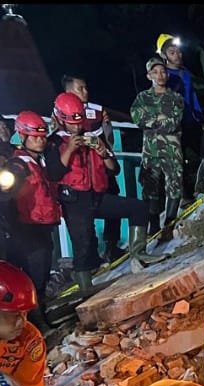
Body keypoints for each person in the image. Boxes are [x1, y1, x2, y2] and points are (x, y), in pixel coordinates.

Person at [46, 93, 149, 295]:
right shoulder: (53, 143)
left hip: (96, 196)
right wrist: (70, 149)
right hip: (74, 200)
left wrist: (103, 152)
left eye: (79, 122)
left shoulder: (92, 136)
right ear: (60, 119)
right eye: (71, 123)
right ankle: (86, 289)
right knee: (82, 243)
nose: (76, 127)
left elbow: (114, 170)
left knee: (137, 207)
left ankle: (139, 254)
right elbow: (54, 172)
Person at [8, 112, 60, 330]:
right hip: (27, 228)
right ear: (22, 136)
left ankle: (38, 317)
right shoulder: (19, 163)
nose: (40, 140)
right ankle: (35, 323)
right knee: (34, 278)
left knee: (42, 274)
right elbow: (10, 185)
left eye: (42, 136)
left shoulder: (41, 160)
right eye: (34, 136)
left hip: (43, 226)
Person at [156, 33, 204, 201]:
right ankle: (186, 200)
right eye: (172, 52)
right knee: (179, 166)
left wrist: (202, 121)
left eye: (178, 51)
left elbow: (193, 98)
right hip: (174, 130)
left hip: (192, 124)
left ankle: (202, 184)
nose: (177, 55)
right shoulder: (163, 77)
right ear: (164, 55)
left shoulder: (185, 73)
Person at [62, 75, 121, 265]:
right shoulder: (60, 112)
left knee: (115, 199)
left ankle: (112, 245)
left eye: (86, 88)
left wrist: (107, 155)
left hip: (101, 164)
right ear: (68, 92)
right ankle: (92, 256)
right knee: (84, 217)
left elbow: (109, 135)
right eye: (80, 88)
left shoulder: (97, 111)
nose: (85, 92)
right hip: (78, 172)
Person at [130, 56, 184, 261]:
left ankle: (168, 225)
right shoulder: (142, 98)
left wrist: (152, 122)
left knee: (174, 186)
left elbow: (174, 122)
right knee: (149, 188)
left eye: (162, 71)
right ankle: (152, 225)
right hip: (151, 151)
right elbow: (137, 118)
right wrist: (159, 120)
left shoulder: (175, 98)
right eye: (155, 72)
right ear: (149, 75)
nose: (160, 75)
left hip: (172, 150)